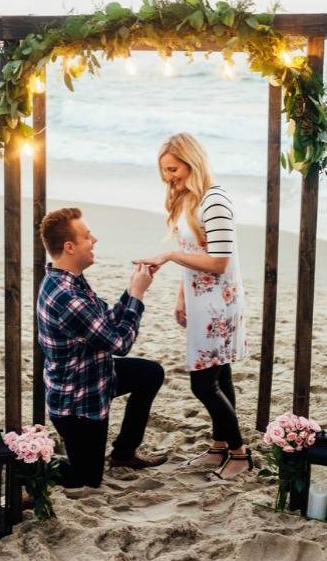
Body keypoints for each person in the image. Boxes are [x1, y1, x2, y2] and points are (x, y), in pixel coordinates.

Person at [134, 133, 251, 481]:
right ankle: (219, 447)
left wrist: (168, 255)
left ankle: (240, 454)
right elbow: (195, 256)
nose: (170, 177)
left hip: (220, 305)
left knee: (202, 384)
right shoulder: (188, 199)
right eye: (165, 172)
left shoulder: (214, 201)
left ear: (192, 161)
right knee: (220, 374)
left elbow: (218, 262)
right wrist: (182, 296)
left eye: (173, 169)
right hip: (201, 301)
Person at [36, 207, 167, 489]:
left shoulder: (69, 279)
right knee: (87, 478)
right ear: (69, 247)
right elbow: (119, 343)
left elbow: (104, 322)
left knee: (150, 373)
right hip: (78, 404)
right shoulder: (66, 295)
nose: (94, 239)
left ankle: (124, 453)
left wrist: (132, 287)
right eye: (87, 236)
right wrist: (138, 295)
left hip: (97, 376)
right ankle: (29, 467)